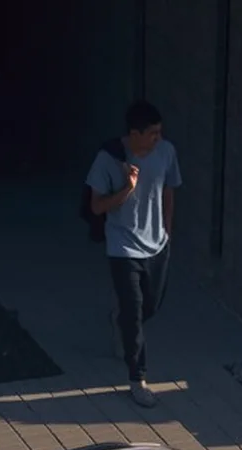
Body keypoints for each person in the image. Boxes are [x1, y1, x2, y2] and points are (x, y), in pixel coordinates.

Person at [85, 100, 180, 409]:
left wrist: (167, 230)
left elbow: (169, 189)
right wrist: (127, 188)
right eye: (152, 133)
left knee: (150, 307)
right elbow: (96, 207)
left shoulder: (166, 152)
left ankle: (120, 320)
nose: (157, 139)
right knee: (135, 314)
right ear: (134, 133)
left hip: (157, 244)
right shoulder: (109, 159)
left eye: (159, 133)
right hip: (122, 246)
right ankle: (137, 380)